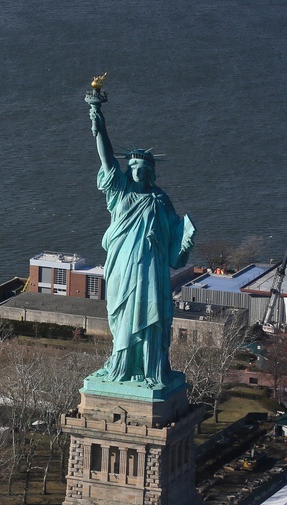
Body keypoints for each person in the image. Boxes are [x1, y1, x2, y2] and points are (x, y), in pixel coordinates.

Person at [86, 81, 195, 388]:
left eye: (141, 168)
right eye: (132, 166)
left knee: (153, 318)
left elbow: (176, 254)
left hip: (152, 270)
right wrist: (98, 120)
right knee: (121, 317)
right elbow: (106, 158)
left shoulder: (161, 201)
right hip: (123, 267)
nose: (136, 171)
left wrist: (185, 240)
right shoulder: (119, 192)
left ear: (150, 172)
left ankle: (151, 370)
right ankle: (121, 365)